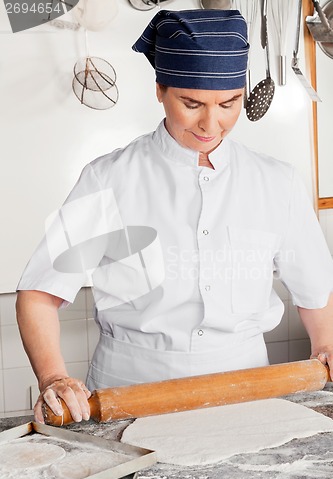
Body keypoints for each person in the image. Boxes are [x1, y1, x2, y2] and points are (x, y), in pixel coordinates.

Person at [16, 9, 333, 425]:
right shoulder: (108, 178)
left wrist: (325, 345)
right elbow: (38, 294)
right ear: (160, 90)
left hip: (248, 392)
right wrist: (54, 377)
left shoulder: (276, 182)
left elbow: (316, 291)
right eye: (191, 103)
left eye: (229, 103)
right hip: (129, 394)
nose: (211, 123)